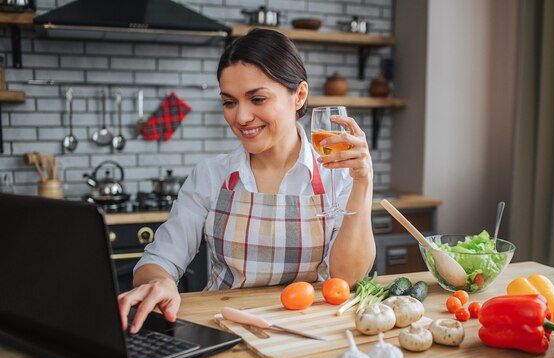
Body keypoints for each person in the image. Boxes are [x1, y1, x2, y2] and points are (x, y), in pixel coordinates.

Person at [118, 29, 376, 333]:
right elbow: (160, 258)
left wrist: (363, 182)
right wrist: (160, 282)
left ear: (300, 95)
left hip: (310, 331)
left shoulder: (337, 173)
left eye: (257, 99)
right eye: (229, 102)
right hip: (222, 330)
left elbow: (346, 278)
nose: (241, 117)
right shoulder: (212, 175)